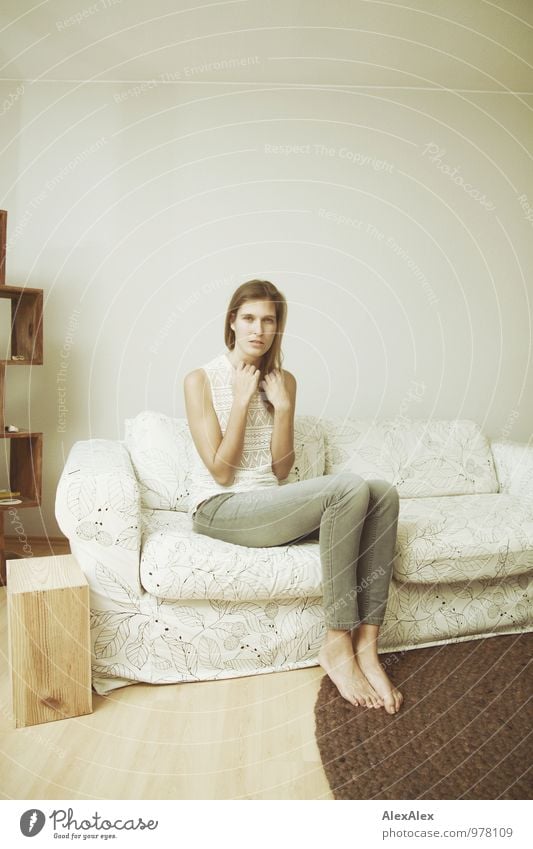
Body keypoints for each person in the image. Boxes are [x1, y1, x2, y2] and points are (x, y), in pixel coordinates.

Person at [183, 279, 403, 714]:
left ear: (278, 327)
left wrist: (281, 408)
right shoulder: (200, 379)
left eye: (268, 320)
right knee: (347, 486)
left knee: (383, 494)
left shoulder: (284, 381)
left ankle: (367, 649)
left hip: (267, 506)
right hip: (220, 508)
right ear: (232, 322)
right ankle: (336, 642)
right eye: (248, 318)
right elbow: (222, 472)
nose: (257, 329)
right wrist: (242, 402)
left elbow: (281, 469)